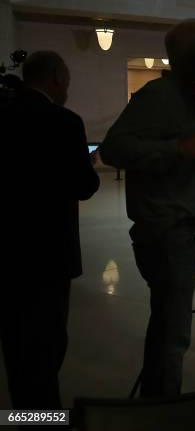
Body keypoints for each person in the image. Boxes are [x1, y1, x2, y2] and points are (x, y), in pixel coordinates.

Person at [99, 19, 195, 397]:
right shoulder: (158, 94)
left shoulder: (186, 96)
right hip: (166, 233)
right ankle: (162, 412)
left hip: (178, 229)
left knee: (168, 328)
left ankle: (157, 399)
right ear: (194, 57)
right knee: (173, 335)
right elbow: (112, 149)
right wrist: (177, 149)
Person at [1, 51, 99, 411]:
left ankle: (24, 413)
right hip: (47, 256)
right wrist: (87, 165)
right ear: (56, 77)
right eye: (68, 79)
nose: (69, 87)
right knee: (44, 347)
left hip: (6, 251)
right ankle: (43, 420)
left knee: (15, 344)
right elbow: (84, 186)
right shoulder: (64, 122)